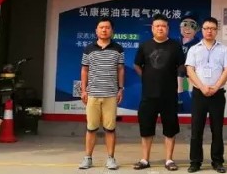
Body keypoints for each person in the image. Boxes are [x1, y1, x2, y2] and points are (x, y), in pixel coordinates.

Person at [134, 13, 186, 171]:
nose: (160, 28)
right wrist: (147, 77)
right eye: (157, 26)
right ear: (152, 28)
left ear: (168, 28)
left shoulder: (175, 46)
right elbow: (137, 65)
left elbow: (181, 65)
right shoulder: (145, 46)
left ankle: (169, 160)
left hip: (169, 95)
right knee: (146, 128)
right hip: (149, 94)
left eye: (163, 26)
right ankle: (145, 159)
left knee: (170, 129)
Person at [185, 17, 227, 174]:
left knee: (217, 130)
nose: (209, 31)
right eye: (206, 28)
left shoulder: (223, 49)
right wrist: (202, 87)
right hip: (199, 94)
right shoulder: (194, 49)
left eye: (212, 28)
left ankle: (218, 161)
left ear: (216, 31)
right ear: (202, 30)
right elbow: (190, 70)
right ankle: (195, 162)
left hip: (217, 94)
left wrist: (216, 87)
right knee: (196, 130)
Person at [79, 17, 126, 170]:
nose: (104, 30)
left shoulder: (118, 49)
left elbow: (120, 69)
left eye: (107, 27)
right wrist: (83, 90)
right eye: (101, 27)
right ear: (96, 30)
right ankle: (87, 158)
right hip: (92, 94)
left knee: (110, 129)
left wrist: (121, 89)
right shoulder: (89, 49)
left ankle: (111, 158)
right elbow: (84, 70)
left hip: (111, 95)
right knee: (91, 128)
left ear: (112, 30)